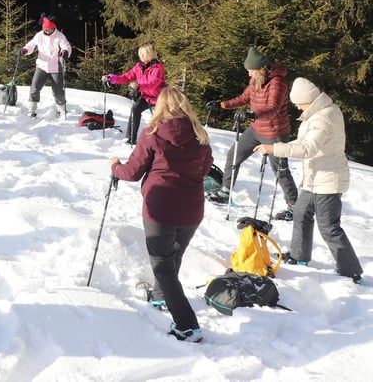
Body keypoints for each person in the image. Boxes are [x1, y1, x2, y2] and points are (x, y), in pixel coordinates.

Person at [110, 86, 214, 343]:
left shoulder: (152, 134)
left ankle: (187, 325)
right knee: (172, 258)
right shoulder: (200, 135)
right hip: (191, 210)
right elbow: (206, 167)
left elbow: (132, 172)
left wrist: (115, 167)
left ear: (161, 106)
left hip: (160, 209)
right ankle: (160, 296)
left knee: (163, 266)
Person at [255, 78, 363, 284]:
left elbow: (308, 149)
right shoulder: (319, 113)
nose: (296, 106)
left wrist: (274, 149)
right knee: (301, 211)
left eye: (297, 102)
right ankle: (299, 255)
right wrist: (280, 145)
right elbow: (304, 143)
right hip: (316, 177)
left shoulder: (323, 118)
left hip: (328, 179)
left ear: (307, 100)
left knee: (328, 226)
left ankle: (351, 271)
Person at [205, 46, 298, 217]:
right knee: (234, 155)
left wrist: (252, 114)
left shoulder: (278, 82)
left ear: (260, 69)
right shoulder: (255, 80)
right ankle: (226, 191)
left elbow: (273, 108)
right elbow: (244, 98)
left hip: (274, 133)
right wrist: (221, 105)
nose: (249, 74)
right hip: (256, 129)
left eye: (251, 71)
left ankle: (294, 206)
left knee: (280, 170)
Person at [104, 42, 167, 145]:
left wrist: (138, 86)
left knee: (160, 120)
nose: (141, 56)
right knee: (135, 110)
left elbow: (153, 83)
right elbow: (126, 77)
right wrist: (112, 78)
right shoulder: (138, 67)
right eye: (140, 53)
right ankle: (130, 138)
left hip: (159, 97)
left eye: (144, 53)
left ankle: (163, 142)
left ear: (150, 53)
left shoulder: (158, 67)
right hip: (146, 97)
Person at [18, 14, 72, 118]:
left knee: (58, 91)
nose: (47, 31)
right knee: (34, 87)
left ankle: (61, 110)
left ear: (53, 28)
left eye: (50, 29)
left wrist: (65, 51)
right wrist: (25, 50)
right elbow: (31, 45)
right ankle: (31, 110)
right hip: (41, 65)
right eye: (46, 29)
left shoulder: (59, 36)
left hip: (56, 67)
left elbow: (66, 46)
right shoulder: (39, 35)